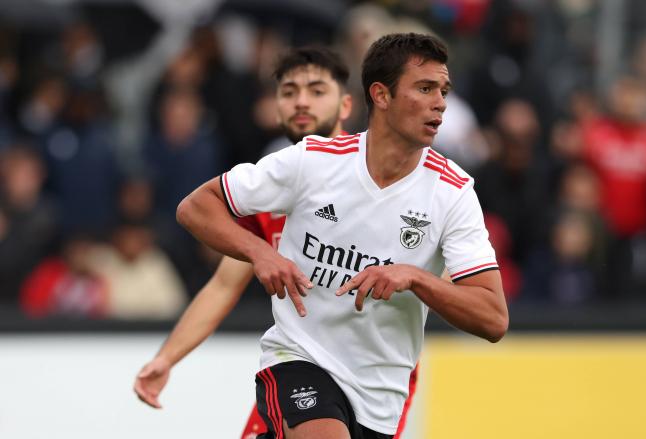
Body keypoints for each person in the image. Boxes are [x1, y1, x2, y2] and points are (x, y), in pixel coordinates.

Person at [174, 33, 508, 439]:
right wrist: (261, 253)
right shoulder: (313, 161)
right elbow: (196, 206)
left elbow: (493, 317)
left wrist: (417, 277)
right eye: (424, 88)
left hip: (379, 398)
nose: (440, 102)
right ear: (381, 95)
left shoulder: (453, 193)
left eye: (444, 90)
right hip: (299, 358)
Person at [134, 46, 412, 438]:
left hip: (374, 379)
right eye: (288, 92)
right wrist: (166, 359)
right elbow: (223, 285)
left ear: (346, 104)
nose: (301, 101)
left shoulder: (382, 176)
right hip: (304, 369)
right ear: (276, 108)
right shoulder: (274, 185)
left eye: (316, 91)